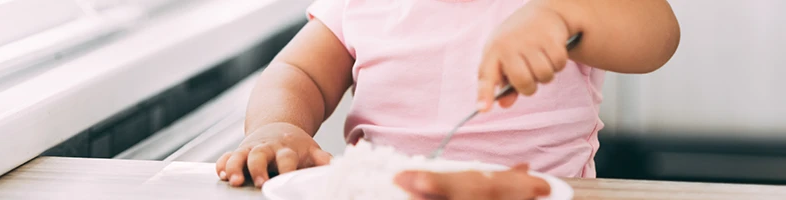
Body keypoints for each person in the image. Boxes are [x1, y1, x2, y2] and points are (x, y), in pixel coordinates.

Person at [215, 0, 681, 191]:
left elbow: (659, 35)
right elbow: (300, 73)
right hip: (389, 196)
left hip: (533, 193)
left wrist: (563, 17)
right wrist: (278, 127)